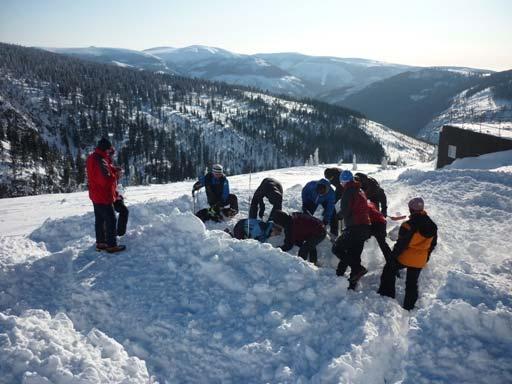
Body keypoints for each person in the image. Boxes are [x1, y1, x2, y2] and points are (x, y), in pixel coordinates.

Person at [378, 197, 438, 310]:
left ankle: (387, 295)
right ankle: (409, 307)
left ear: (410, 209)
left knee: (389, 269)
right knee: (412, 283)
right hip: (420, 260)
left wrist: (392, 257)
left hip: (405, 258)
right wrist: (426, 258)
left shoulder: (407, 225)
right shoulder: (433, 226)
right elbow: (432, 245)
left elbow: (401, 245)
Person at [86, 138, 126, 253]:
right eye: (110, 150)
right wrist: (116, 175)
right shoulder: (100, 160)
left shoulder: (93, 157)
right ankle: (112, 245)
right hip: (103, 195)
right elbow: (105, 180)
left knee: (100, 219)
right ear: (106, 149)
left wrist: (113, 169)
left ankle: (101, 243)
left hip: (95, 194)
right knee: (111, 219)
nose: (111, 152)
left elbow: (102, 171)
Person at [332, 170, 370, 289]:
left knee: (337, 248)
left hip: (355, 227)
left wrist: (338, 215)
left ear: (343, 182)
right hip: (364, 227)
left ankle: (357, 269)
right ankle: (351, 283)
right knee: (354, 253)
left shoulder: (348, 191)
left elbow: (345, 210)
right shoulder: (360, 190)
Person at [105, 146, 129, 236]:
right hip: (107, 197)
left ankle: (119, 233)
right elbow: (107, 183)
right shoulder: (104, 163)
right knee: (109, 216)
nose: (112, 156)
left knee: (123, 210)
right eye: (111, 154)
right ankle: (113, 235)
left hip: (113, 196)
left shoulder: (108, 163)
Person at [324, 167, 345, 236]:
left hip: (345, 188)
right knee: (332, 201)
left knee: (344, 204)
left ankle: (342, 228)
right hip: (339, 187)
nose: (329, 180)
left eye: (330, 178)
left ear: (333, 176)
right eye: (328, 179)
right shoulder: (330, 176)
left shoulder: (340, 177)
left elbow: (342, 190)